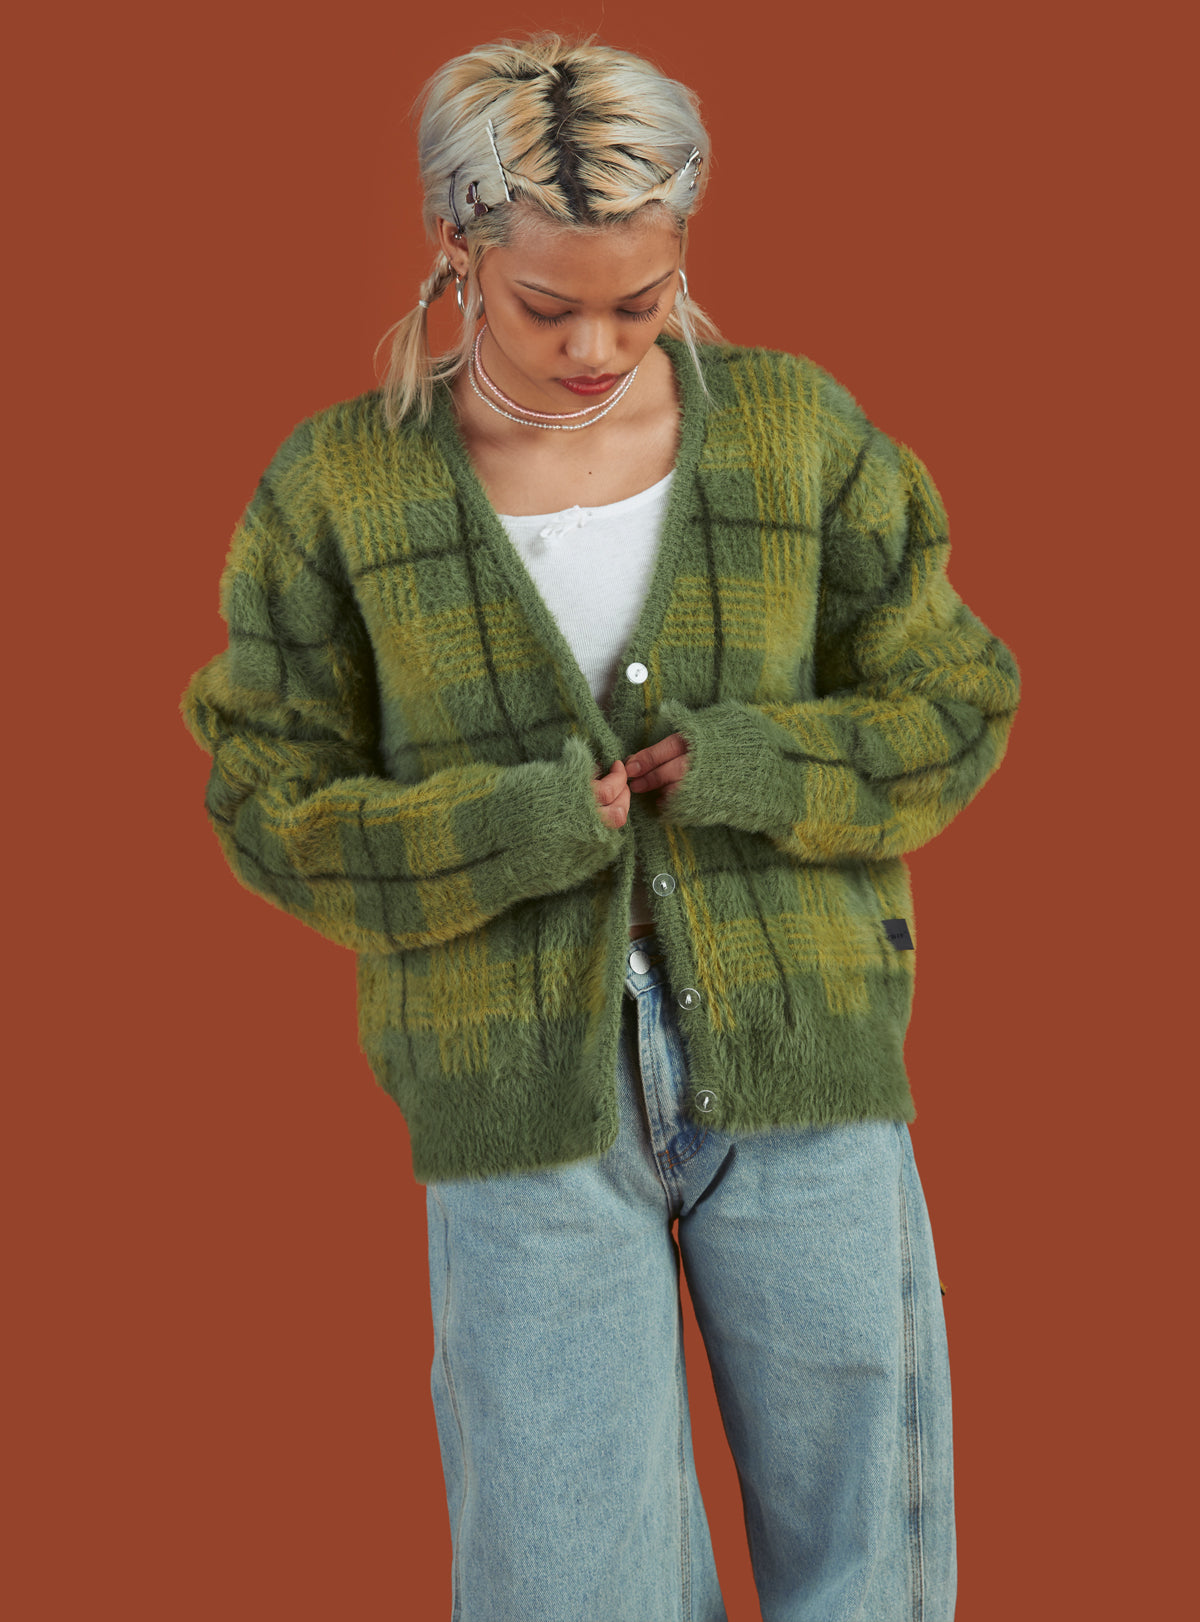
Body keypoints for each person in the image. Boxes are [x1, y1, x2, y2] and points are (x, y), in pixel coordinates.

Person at [179, 30, 1022, 1622]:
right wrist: (506, 828)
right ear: (456, 248)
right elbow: (266, 797)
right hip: (516, 1090)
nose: (597, 347)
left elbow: (958, 699)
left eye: (640, 302)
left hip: (808, 1049)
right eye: (545, 305)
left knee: (871, 1552)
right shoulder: (341, 489)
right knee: (565, 1573)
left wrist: (759, 762)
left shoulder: (794, 432)